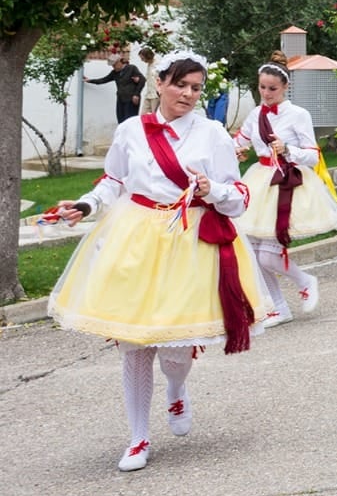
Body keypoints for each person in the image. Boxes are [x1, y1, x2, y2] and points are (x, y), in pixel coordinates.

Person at [48, 50, 269, 472]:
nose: (187, 94)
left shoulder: (213, 135)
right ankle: (138, 437)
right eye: (180, 85)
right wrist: (86, 204)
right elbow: (114, 180)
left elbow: (239, 197)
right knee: (134, 346)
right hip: (136, 239)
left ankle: (176, 388)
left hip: (190, 246)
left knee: (174, 353)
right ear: (161, 84)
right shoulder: (132, 130)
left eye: (195, 88)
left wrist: (212, 191)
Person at [234, 55, 337, 326]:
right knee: (256, 253)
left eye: (272, 88)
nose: (267, 93)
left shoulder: (298, 114)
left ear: (285, 87)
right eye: (262, 87)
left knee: (269, 254)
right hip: (259, 180)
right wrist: (235, 148)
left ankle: (305, 280)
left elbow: (313, 156)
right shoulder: (255, 114)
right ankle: (279, 307)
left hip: (287, 182)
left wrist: (289, 150)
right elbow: (241, 140)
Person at [87, 53, 147, 124]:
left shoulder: (131, 68)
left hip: (131, 100)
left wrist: (136, 94)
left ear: (119, 62)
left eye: (114, 64)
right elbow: (103, 80)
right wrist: (90, 80)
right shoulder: (114, 73)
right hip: (121, 99)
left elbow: (142, 80)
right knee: (121, 121)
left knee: (130, 121)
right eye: (112, 65)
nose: (113, 67)